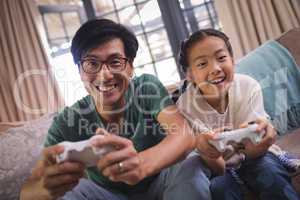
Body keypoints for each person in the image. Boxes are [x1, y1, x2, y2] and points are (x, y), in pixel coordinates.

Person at [20, 19, 220, 200]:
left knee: (191, 163)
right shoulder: (66, 121)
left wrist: (140, 164)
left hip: (162, 181)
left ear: (130, 67)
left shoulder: (146, 88)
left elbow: (183, 136)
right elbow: (29, 189)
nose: (105, 75)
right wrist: (44, 191)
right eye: (91, 64)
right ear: (80, 71)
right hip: (108, 195)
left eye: (115, 62)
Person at [176, 29, 300, 200]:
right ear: (190, 75)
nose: (215, 69)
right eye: (202, 64)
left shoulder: (248, 86)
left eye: (221, 58)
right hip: (218, 167)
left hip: (256, 156)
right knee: (219, 189)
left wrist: (260, 139)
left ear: (232, 61)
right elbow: (208, 157)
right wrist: (211, 150)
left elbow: (257, 142)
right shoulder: (185, 107)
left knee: (270, 173)